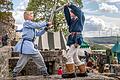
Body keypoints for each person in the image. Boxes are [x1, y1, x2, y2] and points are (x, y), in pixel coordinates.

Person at [12, 11, 52, 78]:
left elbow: (38, 33)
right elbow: (37, 25)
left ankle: (45, 72)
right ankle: (15, 73)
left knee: (39, 59)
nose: (32, 16)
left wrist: (46, 28)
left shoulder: (32, 27)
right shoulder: (27, 23)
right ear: (27, 16)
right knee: (22, 62)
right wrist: (46, 23)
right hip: (26, 45)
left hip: (31, 45)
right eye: (31, 15)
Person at [62, 3, 87, 78]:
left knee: (69, 55)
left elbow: (79, 12)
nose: (70, 13)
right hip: (72, 38)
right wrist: (65, 8)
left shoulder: (80, 19)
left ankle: (71, 73)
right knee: (75, 57)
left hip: (77, 38)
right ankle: (83, 72)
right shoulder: (72, 21)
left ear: (74, 13)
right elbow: (67, 17)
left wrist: (70, 5)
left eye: (71, 12)